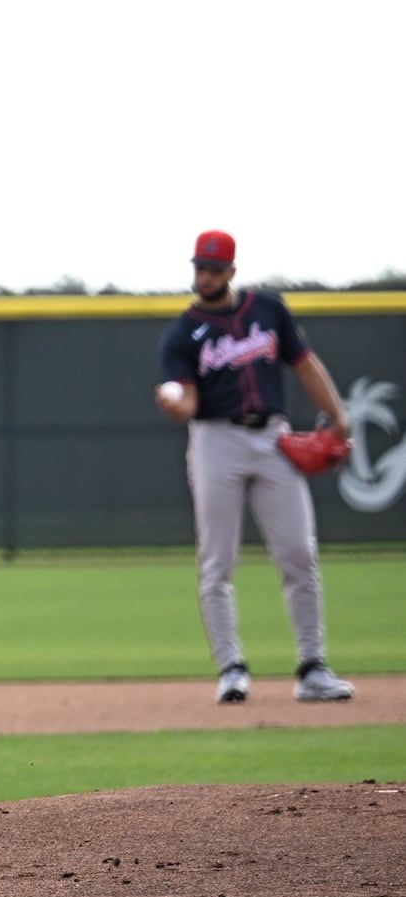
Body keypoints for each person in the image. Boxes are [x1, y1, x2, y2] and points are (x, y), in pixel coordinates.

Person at [156, 229, 356, 705]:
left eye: (213, 269)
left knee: (299, 552)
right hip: (214, 440)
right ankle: (231, 669)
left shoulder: (268, 310)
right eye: (199, 268)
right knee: (217, 561)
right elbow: (186, 400)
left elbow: (305, 364)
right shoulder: (183, 333)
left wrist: (339, 416)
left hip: (271, 437)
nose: (204, 276)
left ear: (231, 271)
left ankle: (313, 667)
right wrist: (175, 406)